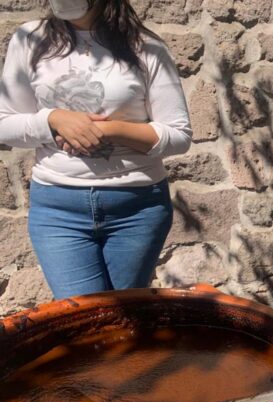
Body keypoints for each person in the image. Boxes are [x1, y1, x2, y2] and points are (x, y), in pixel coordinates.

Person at [0, 0, 192, 300]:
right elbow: (5, 124)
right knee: (84, 321)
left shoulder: (147, 47)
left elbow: (179, 135)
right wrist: (53, 120)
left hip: (137, 209)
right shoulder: (30, 40)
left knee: (122, 321)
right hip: (57, 210)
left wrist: (108, 130)